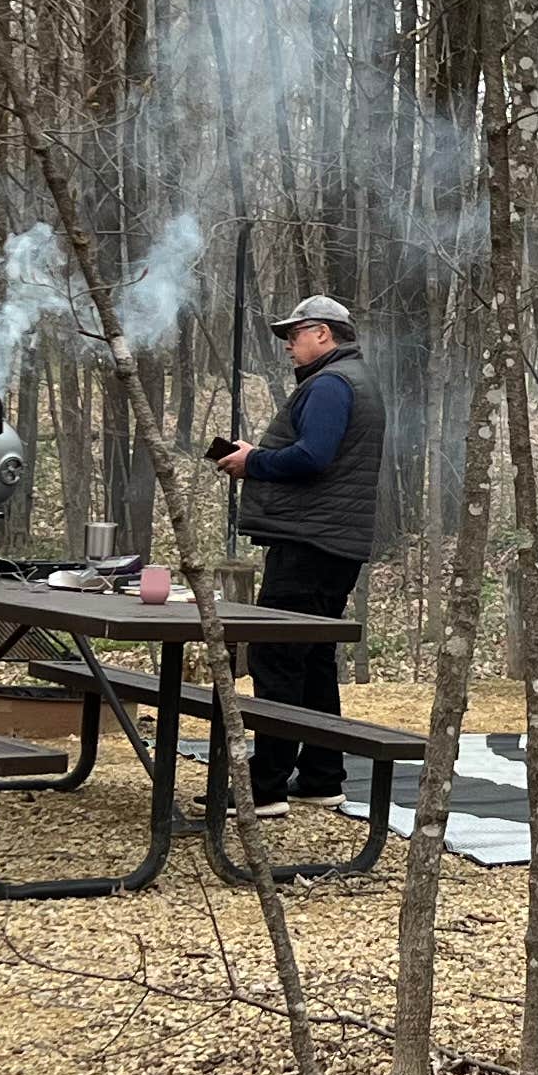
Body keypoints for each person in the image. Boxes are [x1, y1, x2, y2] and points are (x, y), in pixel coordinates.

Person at [208, 293, 383, 808]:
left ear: (324, 334)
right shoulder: (354, 378)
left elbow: (313, 457)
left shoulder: (331, 383)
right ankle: (322, 777)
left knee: (278, 655)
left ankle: (263, 788)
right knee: (313, 657)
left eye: (296, 333)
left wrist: (253, 460)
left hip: (310, 541)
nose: (288, 343)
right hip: (332, 541)